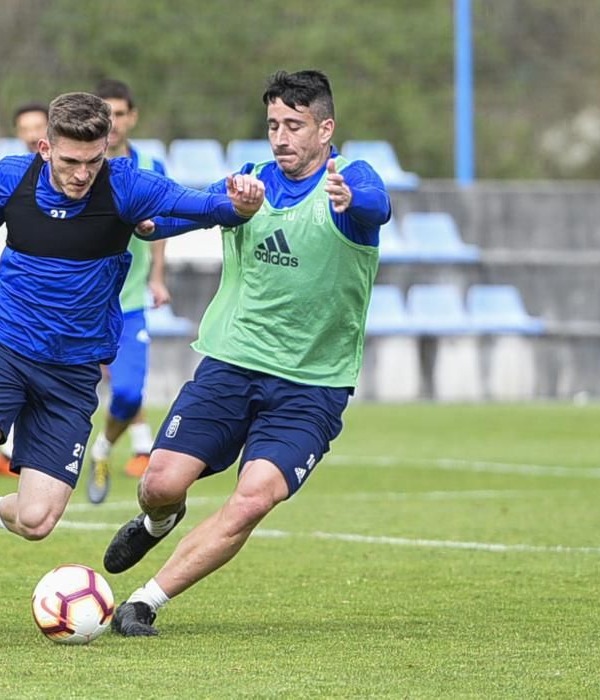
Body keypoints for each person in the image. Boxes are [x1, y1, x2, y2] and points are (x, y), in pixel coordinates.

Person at [0, 91, 265, 648]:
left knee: (36, 521)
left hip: (72, 372)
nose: (82, 173)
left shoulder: (126, 183)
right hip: (3, 346)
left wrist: (242, 204)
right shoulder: (13, 177)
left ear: (106, 148)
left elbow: (202, 207)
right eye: (68, 161)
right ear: (44, 148)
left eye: (93, 160)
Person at [102, 70, 391, 637]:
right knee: (160, 484)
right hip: (231, 365)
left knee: (254, 496)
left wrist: (351, 198)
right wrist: (151, 221)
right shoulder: (251, 181)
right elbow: (193, 211)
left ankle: (145, 602)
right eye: (273, 125)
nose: (280, 137)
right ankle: (158, 520)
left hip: (312, 385)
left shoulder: (350, 178)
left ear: (325, 128)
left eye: (294, 125)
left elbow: (375, 207)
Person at [86, 78, 170, 504]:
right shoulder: (81, 165)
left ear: (132, 117)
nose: (113, 122)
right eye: (106, 114)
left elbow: (161, 227)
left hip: (130, 304)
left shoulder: (151, 168)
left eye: (120, 113)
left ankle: (101, 448)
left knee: (129, 391)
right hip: (79, 305)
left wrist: (157, 276)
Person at [0, 101, 50, 477]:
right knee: (16, 361)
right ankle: (9, 450)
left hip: (75, 295)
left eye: (36, 126)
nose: (30, 135)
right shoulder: (13, 174)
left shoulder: (72, 176)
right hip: (22, 292)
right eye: (23, 128)